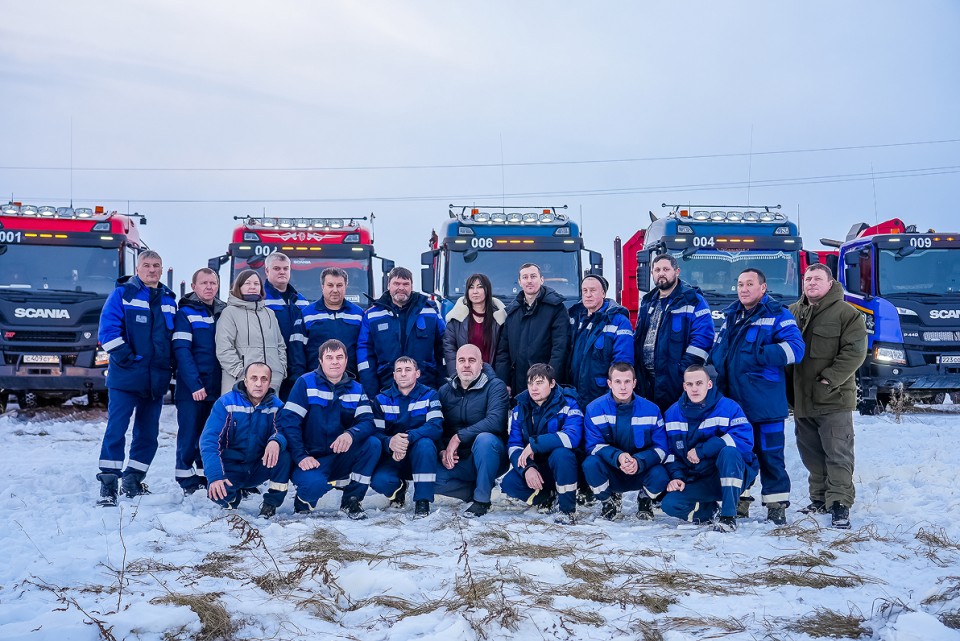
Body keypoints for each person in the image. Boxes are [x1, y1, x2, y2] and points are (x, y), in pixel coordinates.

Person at [710, 268, 805, 524]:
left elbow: (796, 349)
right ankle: (739, 501)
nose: (743, 289)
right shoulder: (732, 315)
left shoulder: (777, 314)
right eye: (740, 284)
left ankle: (776, 506)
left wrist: (759, 354)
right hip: (735, 404)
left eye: (749, 284)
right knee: (740, 453)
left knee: (770, 456)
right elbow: (719, 349)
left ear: (763, 288)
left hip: (765, 404)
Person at [788, 263, 867, 530]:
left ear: (830, 283)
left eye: (817, 279)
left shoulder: (847, 314)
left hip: (833, 398)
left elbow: (855, 352)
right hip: (802, 399)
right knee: (810, 453)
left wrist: (829, 378)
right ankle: (820, 499)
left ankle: (840, 504)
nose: (811, 283)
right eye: (807, 279)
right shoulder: (792, 312)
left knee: (837, 453)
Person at [95, 250, 177, 506]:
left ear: (161, 269)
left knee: (148, 434)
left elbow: (172, 340)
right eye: (147, 265)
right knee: (117, 429)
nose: (152, 270)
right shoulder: (122, 294)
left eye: (156, 265)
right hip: (126, 378)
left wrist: (170, 367)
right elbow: (107, 332)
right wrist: (127, 359)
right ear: (137, 269)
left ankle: (133, 479)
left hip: (155, 380)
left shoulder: (169, 300)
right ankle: (109, 484)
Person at [278, 339, 380, 519]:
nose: (335, 362)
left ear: (346, 360)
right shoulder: (305, 383)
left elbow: (368, 422)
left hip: (341, 455)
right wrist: (301, 456)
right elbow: (289, 422)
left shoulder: (357, 389)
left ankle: (352, 500)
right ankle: (303, 501)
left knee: (373, 444)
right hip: (312, 458)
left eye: (339, 357)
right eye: (329, 357)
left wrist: (350, 434)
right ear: (320, 360)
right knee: (313, 485)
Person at [661, 366, 759, 532]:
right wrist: (677, 477)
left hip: (729, 474)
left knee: (729, 452)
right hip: (698, 478)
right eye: (690, 384)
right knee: (670, 504)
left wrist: (703, 450)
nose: (694, 388)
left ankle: (728, 516)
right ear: (684, 386)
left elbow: (744, 440)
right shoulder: (672, 414)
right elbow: (670, 454)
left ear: (709, 384)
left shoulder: (728, 408)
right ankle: (710, 511)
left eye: (699, 383)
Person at [199, 362, 290, 518]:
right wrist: (215, 476)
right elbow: (209, 441)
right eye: (254, 378)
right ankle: (233, 497)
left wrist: (276, 440)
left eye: (264, 379)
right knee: (219, 494)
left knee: (284, 455)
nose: (258, 383)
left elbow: (284, 431)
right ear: (245, 381)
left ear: (269, 383)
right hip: (231, 467)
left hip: (258, 466)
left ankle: (271, 503)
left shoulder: (277, 406)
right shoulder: (226, 403)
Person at [582, 363, 669, 521]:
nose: (623, 387)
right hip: (612, 470)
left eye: (627, 381)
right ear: (609, 383)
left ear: (634, 383)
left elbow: (661, 448)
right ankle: (608, 502)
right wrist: (618, 457)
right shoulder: (594, 409)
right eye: (618, 381)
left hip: (640, 470)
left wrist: (639, 461)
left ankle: (645, 500)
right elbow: (593, 446)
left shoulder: (651, 409)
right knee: (590, 464)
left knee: (661, 474)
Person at [500, 364, 583, 523]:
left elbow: (572, 437)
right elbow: (514, 445)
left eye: (539, 383)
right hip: (538, 466)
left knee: (561, 454)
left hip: (567, 467)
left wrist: (534, 444)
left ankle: (567, 510)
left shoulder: (569, 403)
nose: (534, 388)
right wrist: (527, 468)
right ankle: (547, 498)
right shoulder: (520, 408)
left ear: (552, 383)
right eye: (530, 383)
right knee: (509, 483)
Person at [633, 254, 715, 413]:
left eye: (666, 269)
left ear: (677, 272)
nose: (661, 273)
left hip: (675, 380)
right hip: (647, 380)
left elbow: (703, 340)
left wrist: (682, 372)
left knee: (675, 421)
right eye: (657, 270)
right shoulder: (648, 302)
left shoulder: (693, 300)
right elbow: (639, 338)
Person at [435, 344, 510, 518]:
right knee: (428, 478)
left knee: (484, 439)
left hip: (490, 455)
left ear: (481, 364)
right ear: (456, 364)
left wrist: (458, 437)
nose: (466, 365)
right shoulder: (444, 391)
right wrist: (442, 451)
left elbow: (496, 422)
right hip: (460, 459)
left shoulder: (495, 386)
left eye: (472, 360)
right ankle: (477, 489)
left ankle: (482, 500)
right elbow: (436, 426)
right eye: (462, 360)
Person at [172, 267, 226, 495]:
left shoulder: (224, 312)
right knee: (189, 433)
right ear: (194, 287)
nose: (209, 287)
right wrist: (194, 384)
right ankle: (185, 478)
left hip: (217, 385)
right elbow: (182, 351)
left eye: (213, 283)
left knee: (211, 433)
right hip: (192, 387)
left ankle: (206, 474)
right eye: (204, 283)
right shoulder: (185, 314)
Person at [369, 356, 444, 518]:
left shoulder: (430, 395)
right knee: (380, 482)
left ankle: (422, 501)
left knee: (425, 444)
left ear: (417, 373)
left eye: (408, 370)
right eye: (399, 370)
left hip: (421, 456)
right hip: (393, 456)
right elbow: (375, 433)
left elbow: (435, 426)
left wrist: (407, 438)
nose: (403, 374)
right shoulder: (381, 399)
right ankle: (398, 490)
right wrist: (390, 442)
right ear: (394, 375)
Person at [358, 266, 445, 397]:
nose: (401, 288)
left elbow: (443, 346)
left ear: (412, 286)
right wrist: (371, 391)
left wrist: (442, 386)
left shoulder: (429, 311)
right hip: (386, 389)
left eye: (405, 284)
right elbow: (364, 353)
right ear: (388, 285)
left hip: (425, 388)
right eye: (396, 283)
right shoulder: (372, 315)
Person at [495, 263, 570, 397]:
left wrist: (549, 380)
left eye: (533, 276)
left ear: (541, 280)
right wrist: (504, 382)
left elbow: (560, 349)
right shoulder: (512, 312)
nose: (529, 280)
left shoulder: (556, 309)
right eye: (525, 277)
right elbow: (503, 352)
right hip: (518, 385)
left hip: (545, 385)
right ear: (520, 282)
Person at [567, 274, 633, 409]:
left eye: (593, 290)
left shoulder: (619, 321)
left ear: (603, 293)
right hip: (574, 394)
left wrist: (612, 395)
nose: (588, 295)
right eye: (585, 290)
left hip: (602, 396)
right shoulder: (574, 319)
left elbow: (622, 363)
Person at [215, 269, 287, 394]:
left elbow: (280, 345)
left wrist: (280, 370)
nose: (252, 287)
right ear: (239, 287)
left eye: (256, 284)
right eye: (247, 283)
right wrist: (241, 373)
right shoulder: (230, 312)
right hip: (240, 384)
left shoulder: (270, 314)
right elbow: (224, 347)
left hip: (270, 384)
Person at [262, 252, 309, 400]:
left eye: (285, 268)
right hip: (269, 367)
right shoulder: (260, 300)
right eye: (277, 268)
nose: (282, 272)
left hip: (297, 366)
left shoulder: (302, 301)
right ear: (267, 271)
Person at [301, 267, 365, 374]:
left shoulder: (358, 314)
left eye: (339, 285)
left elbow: (364, 347)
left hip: (350, 378)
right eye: (330, 285)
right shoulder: (307, 314)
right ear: (322, 286)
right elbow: (298, 351)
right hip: (316, 378)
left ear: (346, 286)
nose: (335, 290)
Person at [442, 273, 507, 376]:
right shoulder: (456, 318)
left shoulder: (499, 319)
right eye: (471, 287)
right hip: (465, 376)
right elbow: (449, 350)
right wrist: (457, 376)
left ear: (487, 290)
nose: (475, 291)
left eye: (480, 287)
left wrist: (498, 380)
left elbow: (503, 354)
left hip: (491, 376)